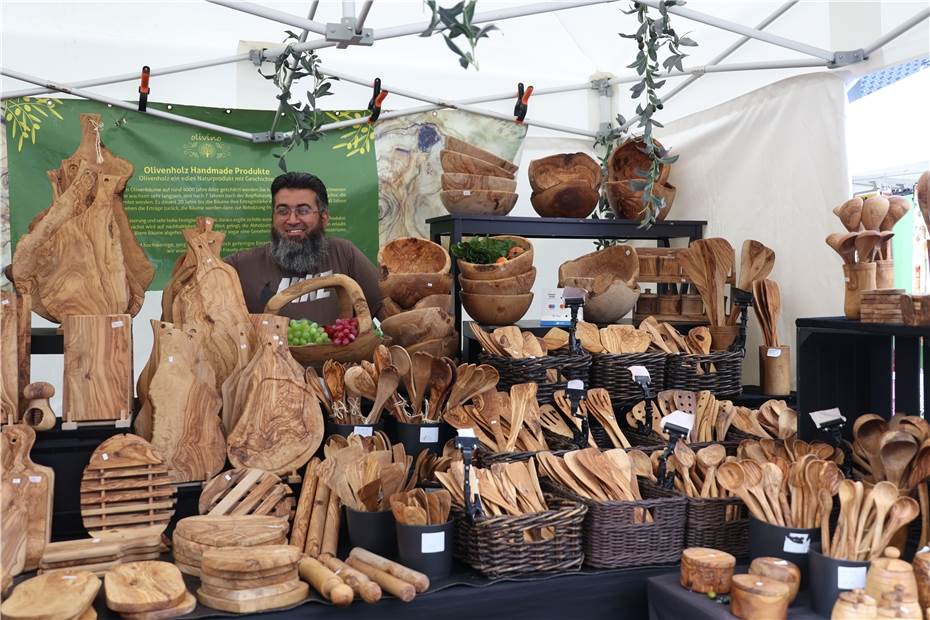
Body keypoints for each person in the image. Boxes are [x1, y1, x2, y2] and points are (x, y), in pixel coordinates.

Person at [225, 172, 383, 324]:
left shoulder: (343, 253)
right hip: (269, 351)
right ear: (273, 218)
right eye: (282, 211)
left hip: (339, 351)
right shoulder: (240, 266)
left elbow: (384, 309)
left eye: (303, 210)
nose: (292, 220)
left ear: (323, 218)